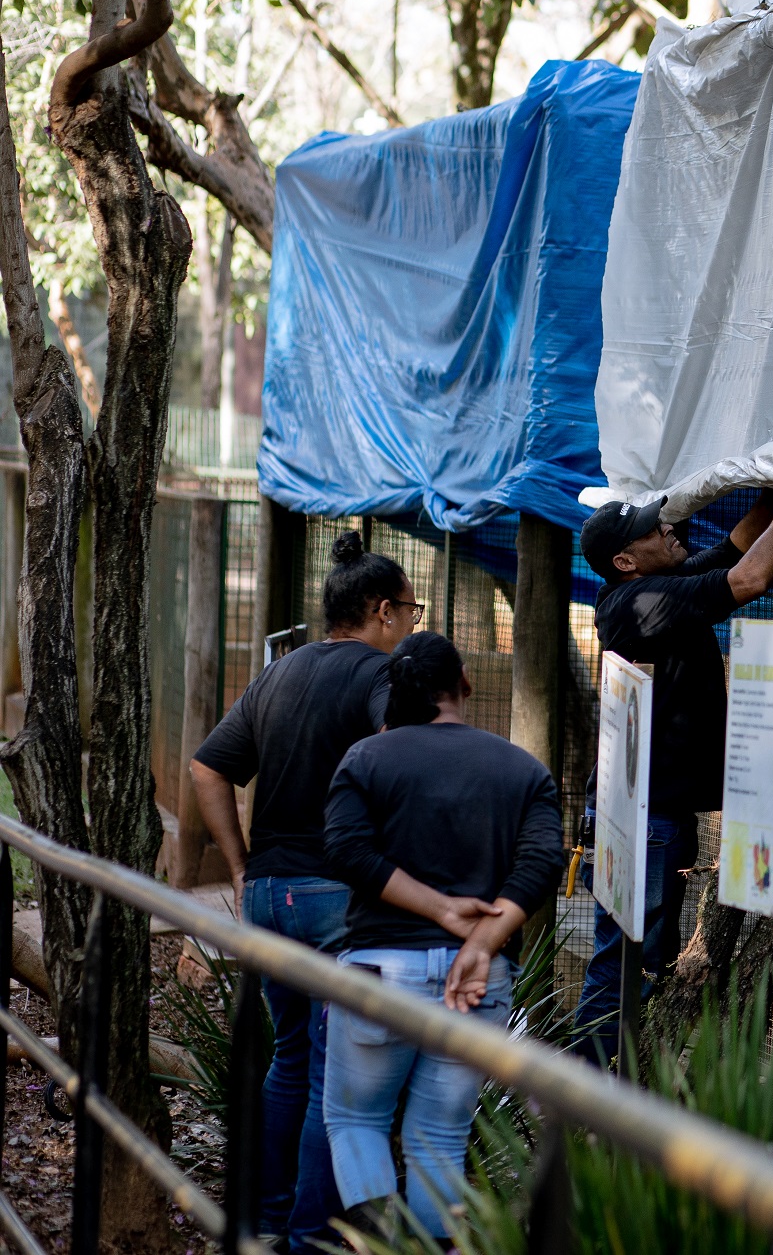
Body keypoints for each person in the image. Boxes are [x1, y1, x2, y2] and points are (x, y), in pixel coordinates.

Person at [188, 531, 420, 1252]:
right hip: (335, 899)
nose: (413, 623)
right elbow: (400, 752)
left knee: (290, 1059)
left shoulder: (279, 673)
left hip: (268, 895)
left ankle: (266, 1222)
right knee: (336, 1078)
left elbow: (207, 768)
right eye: (411, 610)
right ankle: (311, 1239)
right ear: (382, 610)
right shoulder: (383, 675)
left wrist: (239, 865)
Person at [319, 631, 564, 1237]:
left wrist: (440, 909)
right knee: (439, 1138)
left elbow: (345, 850)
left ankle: (381, 1247)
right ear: (465, 684)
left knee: (356, 1122)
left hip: (379, 975)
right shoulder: (523, 770)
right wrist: (478, 943)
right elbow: (542, 862)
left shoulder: (365, 759)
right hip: (479, 983)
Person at [569, 487, 773, 1064]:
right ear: (625, 560)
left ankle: (599, 1085)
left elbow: (733, 551)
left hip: (647, 814)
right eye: (653, 530)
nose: (669, 529)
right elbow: (749, 579)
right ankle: (582, 1092)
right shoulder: (639, 603)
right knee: (628, 965)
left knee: (633, 960)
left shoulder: (649, 587)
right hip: (645, 821)